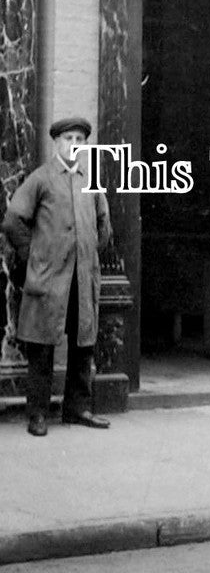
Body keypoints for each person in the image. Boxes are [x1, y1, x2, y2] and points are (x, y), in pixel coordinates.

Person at [2, 117, 112, 436]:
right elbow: (13, 222)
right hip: (50, 281)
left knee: (82, 344)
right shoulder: (41, 179)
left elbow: (104, 225)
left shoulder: (89, 181)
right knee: (42, 347)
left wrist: (89, 252)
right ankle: (37, 413)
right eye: (69, 138)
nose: (75, 144)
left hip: (82, 279)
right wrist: (35, 255)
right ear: (57, 143)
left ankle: (77, 408)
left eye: (80, 139)